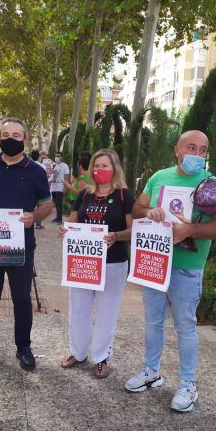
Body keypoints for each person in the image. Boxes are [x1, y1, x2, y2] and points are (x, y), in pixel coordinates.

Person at [125, 130, 216, 412]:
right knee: (152, 322)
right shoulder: (159, 177)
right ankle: (151, 371)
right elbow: (136, 207)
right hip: (155, 262)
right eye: (191, 147)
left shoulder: (212, 184)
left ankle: (188, 384)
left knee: (185, 326)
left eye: (203, 149)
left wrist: (189, 230)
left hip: (187, 268)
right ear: (177, 150)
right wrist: (149, 212)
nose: (197, 154)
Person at [0, 118, 53, 371]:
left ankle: (23, 347)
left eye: (16, 135)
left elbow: (47, 205)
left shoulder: (36, 170)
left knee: (21, 298)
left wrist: (33, 217)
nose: (10, 139)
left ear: (25, 140)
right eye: (5, 134)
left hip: (21, 245)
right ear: (0, 138)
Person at [58, 149, 134, 378]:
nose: (100, 170)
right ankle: (78, 352)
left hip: (113, 263)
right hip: (83, 263)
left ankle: (101, 358)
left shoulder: (124, 196)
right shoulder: (84, 195)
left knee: (106, 312)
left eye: (105, 165)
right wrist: (66, 230)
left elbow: (134, 231)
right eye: (96, 165)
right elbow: (73, 223)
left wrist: (117, 236)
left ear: (115, 169)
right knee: (78, 309)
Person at [50, 150, 70, 223]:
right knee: (56, 203)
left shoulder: (65, 165)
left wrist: (65, 187)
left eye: (58, 156)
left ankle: (59, 219)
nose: (57, 157)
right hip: (53, 187)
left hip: (60, 187)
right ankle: (57, 217)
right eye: (56, 156)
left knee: (59, 203)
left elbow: (67, 176)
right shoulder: (53, 165)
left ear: (61, 157)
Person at [31, 149, 49, 230]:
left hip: (30, 188)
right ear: (39, 156)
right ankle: (38, 224)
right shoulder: (42, 166)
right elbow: (47, 177)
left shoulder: (29, 165)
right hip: (39, 188)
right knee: (40, 206)